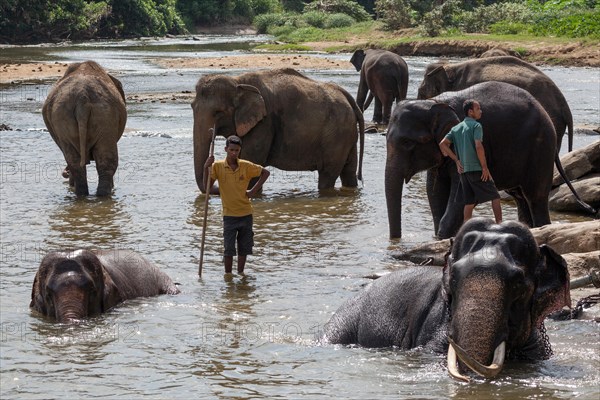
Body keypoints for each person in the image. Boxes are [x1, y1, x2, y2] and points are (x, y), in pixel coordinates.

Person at [204, 135, 270, 274]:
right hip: (229, 216)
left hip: (246, 214)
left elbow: (265, 172)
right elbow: (207, 188)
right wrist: (206, 168)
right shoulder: (218, 167)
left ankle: (241, 274)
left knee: (244, 249)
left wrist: (252, 191)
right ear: (226, 149)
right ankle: (228, 276)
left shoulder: (246, 166)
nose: (234, 153)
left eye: (237, 150)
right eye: (232, 150)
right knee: (228, 250)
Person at [439, 99, 502, 225]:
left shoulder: (456, 128)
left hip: (464, 171)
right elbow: (478, 146)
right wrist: (484, 167)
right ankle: (500, 225)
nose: (481, 111)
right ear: (470, 111)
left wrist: (456, 160)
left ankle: (466, 228)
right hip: (477, 169)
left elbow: (442, 144)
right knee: (495, 196)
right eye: (478, 109)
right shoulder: (476, 126)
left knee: (469, 202)